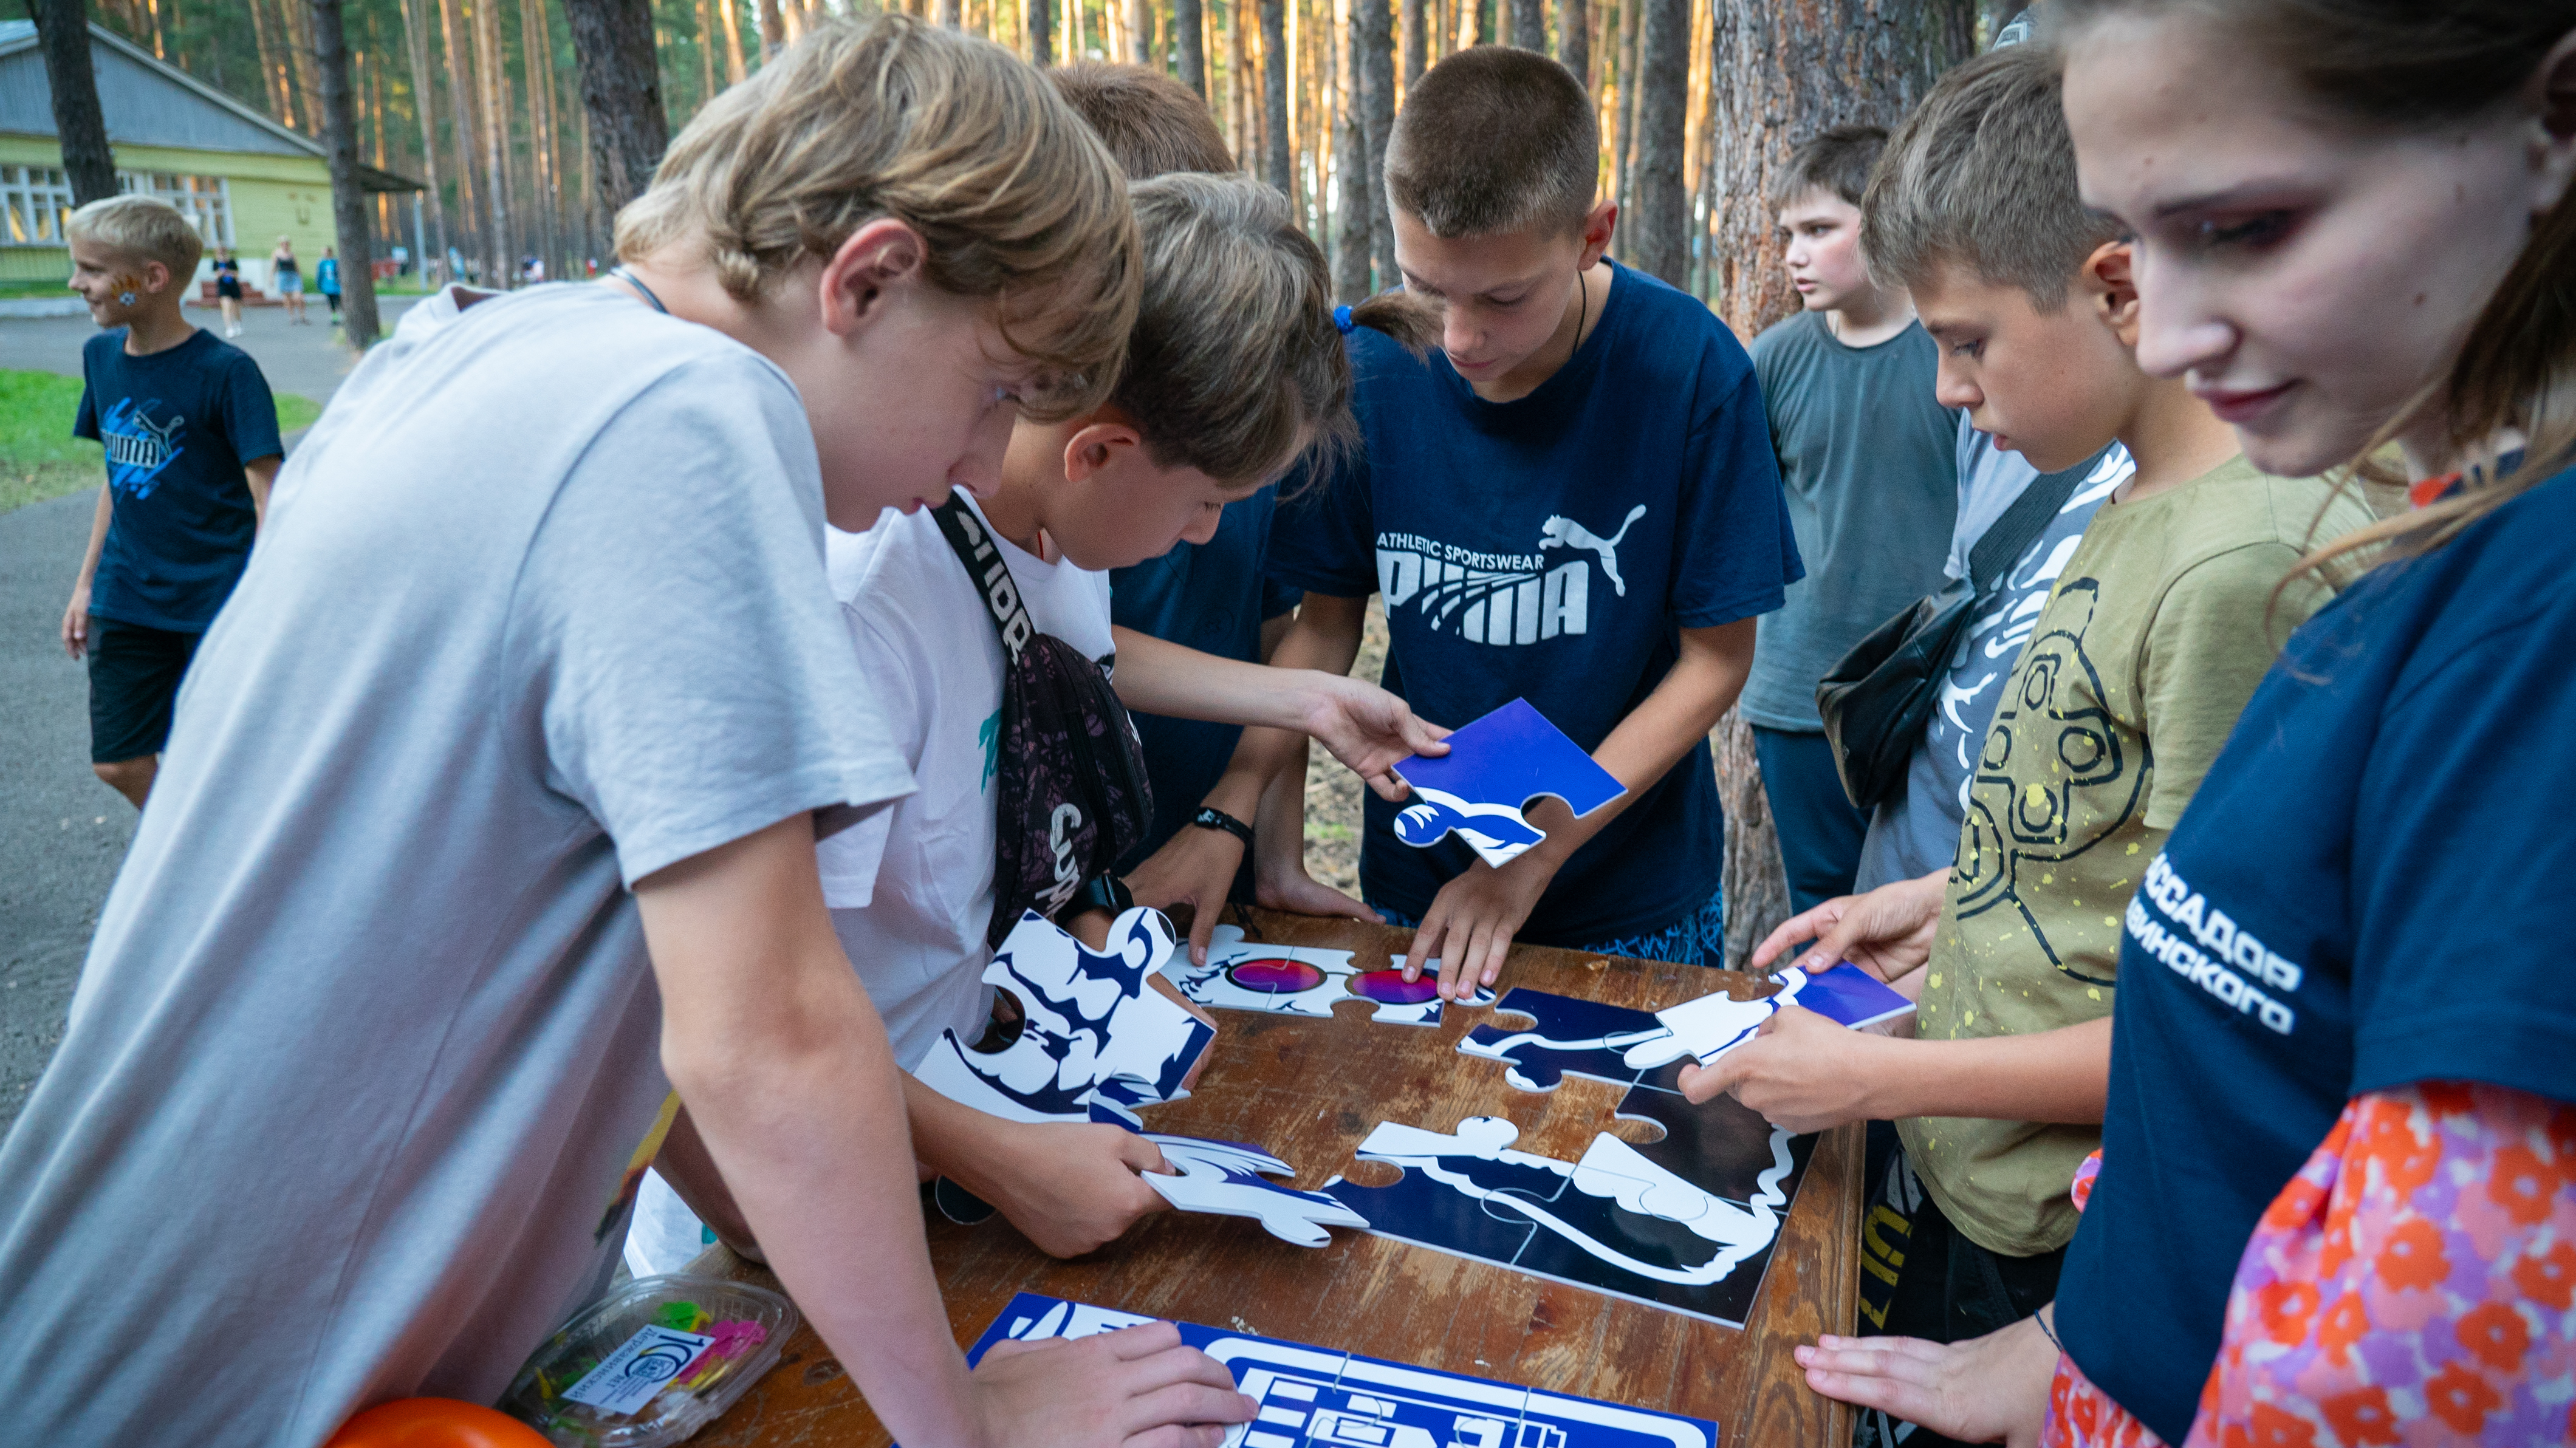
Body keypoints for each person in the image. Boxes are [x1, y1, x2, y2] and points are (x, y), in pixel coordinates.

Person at [0, 20, 1258, 1446]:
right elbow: (767, 1038)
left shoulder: (480, 344)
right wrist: (962, 1424)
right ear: (868, 277)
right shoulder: (687, 419)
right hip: (215, 1386)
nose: (980, 463)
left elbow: (660, 1009)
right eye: (992, 393)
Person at [1791, 3, 2576, 1443]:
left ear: (2548, 128)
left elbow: (2431, 1311)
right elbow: (2225, 1017)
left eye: (2251, 223)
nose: (2168, 321)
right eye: (2139, 240)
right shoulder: (2391, 536)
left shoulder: (2496, 620)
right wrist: (2073, 1332)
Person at [1688, 46, 2375, 1448]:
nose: (1945, 388)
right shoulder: (2120, 492)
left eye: (1966, 339)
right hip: (1969, 1164)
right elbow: (2122, 840)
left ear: (2115, 290)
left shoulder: (2240, 564)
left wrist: (1876, 1079)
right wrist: (1939, 900)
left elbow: (2213, 1011)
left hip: (2070, 1234)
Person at [784, 171, 1445, 1262]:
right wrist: (995, 1157)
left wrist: (1306, 696)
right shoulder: (867, 611)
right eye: (1206, 503)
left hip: (968, 1118)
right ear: (1098, 449)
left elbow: (1071, 647)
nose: (1200, 537)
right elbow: (760, 1029)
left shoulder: (1045, 517)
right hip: (824, 1199)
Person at [1267, 46, 1801, 994]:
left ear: (1594, 234)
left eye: (1504, 298)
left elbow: (1716, 659)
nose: (1459, 336)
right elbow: (1323, 624)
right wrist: (1233, 806)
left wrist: (1534, 854)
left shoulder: (1691, 372)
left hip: (1631, 897)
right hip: (1421, 881)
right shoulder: (1377, 367)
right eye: (1427, 288)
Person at [1042, 60, 1375, 961]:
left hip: (1196, 883)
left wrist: (1263, 844)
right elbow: (1069, 641)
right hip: (1068, 896)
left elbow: (1274, 624)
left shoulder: (1244, 411)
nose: (1207, 525)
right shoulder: (1034, 503)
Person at [1739, 123, 1960, 915]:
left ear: (1887, 220)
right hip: (1800, 694)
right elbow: (1744, 518)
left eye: (1820, 230)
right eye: (1788, 234)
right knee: (1825, 907)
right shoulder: (1773, 359)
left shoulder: (1953, 353)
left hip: (1932, 693)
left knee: (1924, 912)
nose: (1794, 253)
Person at [56, 195, 283, 810]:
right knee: (118, 760)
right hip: (126, 595)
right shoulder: (100, 357)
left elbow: (272, 496)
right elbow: (118, 474)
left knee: (228, 756)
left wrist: (264, 602)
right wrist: (85, 585)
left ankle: (237, 866)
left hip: (215, 600)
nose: (78, 283)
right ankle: (194, 850)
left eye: (94, 270)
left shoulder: (226, 372)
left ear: (153, 279)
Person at [272, 234, 306, 324]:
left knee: (299, 297)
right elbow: (274, 267)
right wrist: (271, 277)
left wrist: (300, 277)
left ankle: (302, 315)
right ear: (281, 244)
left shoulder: (292, 254)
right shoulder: (277, 253)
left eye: (287, 244)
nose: (285, 245)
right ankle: (292, 317)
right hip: (283, 276)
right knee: (287, 299)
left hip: (293, 275)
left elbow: (297, 267)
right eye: (283, 244)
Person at [211, 244, 244, 336]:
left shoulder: (231, 261)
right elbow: (215, 275)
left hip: (233, 285)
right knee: (226, 305)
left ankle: (238, 323)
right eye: (219, 250)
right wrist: (221, 272)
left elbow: (237, 274)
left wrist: (230, 273)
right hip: (223, 286)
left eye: (222, 249)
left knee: (236, 306)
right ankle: (229, 327)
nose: (221, 251)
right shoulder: (216, 262)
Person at [317, 244, 341, 322]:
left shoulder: (335, 261)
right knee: (330, 301)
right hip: (327, 285)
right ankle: (334, 316)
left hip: (336, 285)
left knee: (338, 300)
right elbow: (320, 274)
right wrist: (319, 284)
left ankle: (340, 314)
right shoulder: (322, 262)